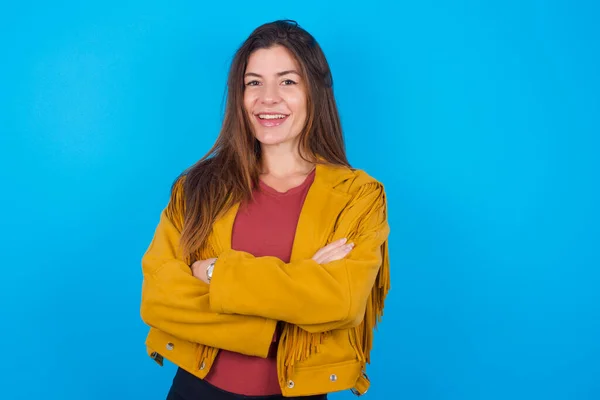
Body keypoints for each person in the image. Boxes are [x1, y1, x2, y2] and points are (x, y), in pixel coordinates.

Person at [140, 19, 391, 400]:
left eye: (287, 81)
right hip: (195, 389)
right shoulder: (197, 187)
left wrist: (215, 271)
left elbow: (342, 302)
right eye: (253, 82)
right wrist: (297, 295)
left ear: (314, 92)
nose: (267, 98)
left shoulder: (357, 196)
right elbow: (160, 298)